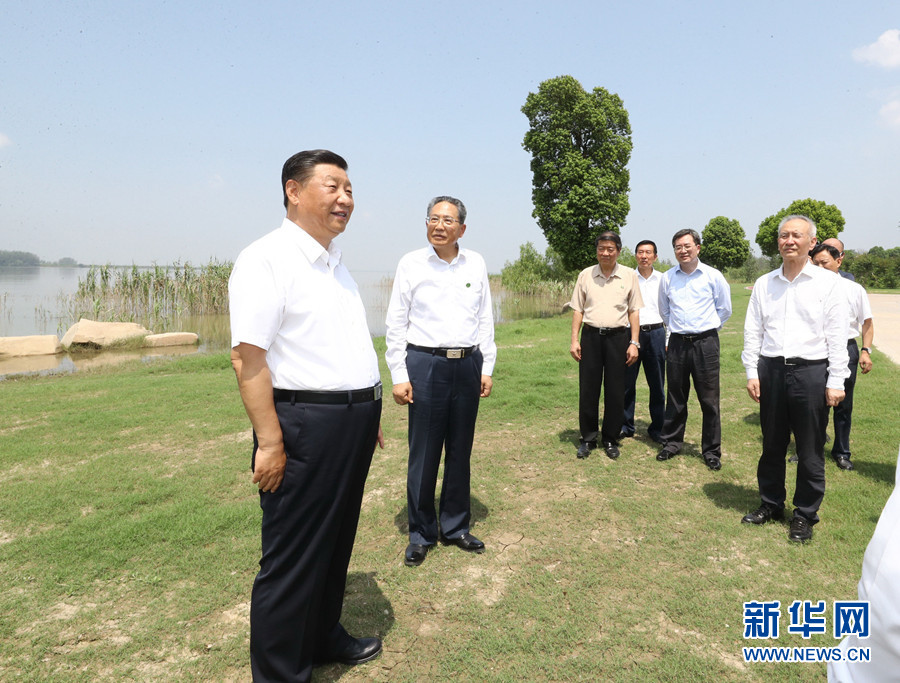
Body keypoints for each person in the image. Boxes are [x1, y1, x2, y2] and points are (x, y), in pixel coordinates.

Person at [229, 150, 385, 681]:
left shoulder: (335, 263)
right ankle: (280, 672)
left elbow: (337, 346)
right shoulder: (266, 259)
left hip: (351, 422)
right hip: (305, 426)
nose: (346, 199)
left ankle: (322, 636)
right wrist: (270, 442)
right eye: (332, 186)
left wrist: (365, 408)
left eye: (349, 189)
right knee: (294, 555)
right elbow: (248, 358)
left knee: (335, 540)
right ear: (293, 191)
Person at [385, 196, 496, 568]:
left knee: (460, 449)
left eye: (447, 220)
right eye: (433, 218)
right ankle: (420, 533)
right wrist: (399, 374)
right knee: (425, 451)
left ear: (461, 228)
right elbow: (396, 322)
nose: (439, 225)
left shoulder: (476, 262)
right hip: (425, 364)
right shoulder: (411, 263)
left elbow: (484, 318)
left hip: (467, 364)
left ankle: (455, 526)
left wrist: (486, 366)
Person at [741, 215, 849, 543]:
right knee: (772, 442)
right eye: (784, 235)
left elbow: (837, 335)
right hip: (771, 369)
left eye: (797, 235)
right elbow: (753, 330)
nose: (789, 241)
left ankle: (804, 514)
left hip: (811, 372)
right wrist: (752, 371)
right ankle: (771, 503)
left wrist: (836, 380)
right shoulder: (765, 283)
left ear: (812, 242)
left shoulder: (828, 283)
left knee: (810, 447)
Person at [656, 229, 732, 470]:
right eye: (678, 247)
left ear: (698, 248)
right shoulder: (667, 278)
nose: (683, 250)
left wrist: (706, 328)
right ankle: (671, 443)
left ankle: (711, 451)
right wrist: (679, 329)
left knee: (709, 399)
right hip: (677, 343)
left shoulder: (713, 276)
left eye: (687, 246)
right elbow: (664, 310)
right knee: (675, 396)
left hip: (705, 344)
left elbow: (725, 309)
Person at [569, 231, 642, 460]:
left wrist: (634, 342)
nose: (606, 253)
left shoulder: (629, 275)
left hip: (618, 338)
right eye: (601, 248)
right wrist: (574, 339)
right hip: (591, 337)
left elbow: (634, 311)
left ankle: (610, 438)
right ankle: (588, 438)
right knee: (588, 389)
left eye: (610, 249)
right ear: (597, 251)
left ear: (618, 251)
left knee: (616, 390)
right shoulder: (585, 275)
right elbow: (578, 310)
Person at [810, 243, 874, 471]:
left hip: (846, 348)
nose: (819, 268)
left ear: (839, 261)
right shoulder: (806, 288)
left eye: (824, 263)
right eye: (815, 263)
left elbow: (867, 323)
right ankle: (810, 449)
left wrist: (865, 351)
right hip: (816, 350)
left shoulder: (853, 289)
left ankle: (841, 452)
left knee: (843, 405)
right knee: (815, 405)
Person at [621, 239, 666, 444]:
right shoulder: (628, 278)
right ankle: (625, 426)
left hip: (656, 333)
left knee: (657, 384)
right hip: (630, 335)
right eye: (640, 252)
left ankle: (657, 427)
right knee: (626, 383)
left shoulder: (663, 279)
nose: (644, 256)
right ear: (635, 256)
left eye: (648, 253)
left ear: (655, 256)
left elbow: (669, 309)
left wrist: (668, 337)